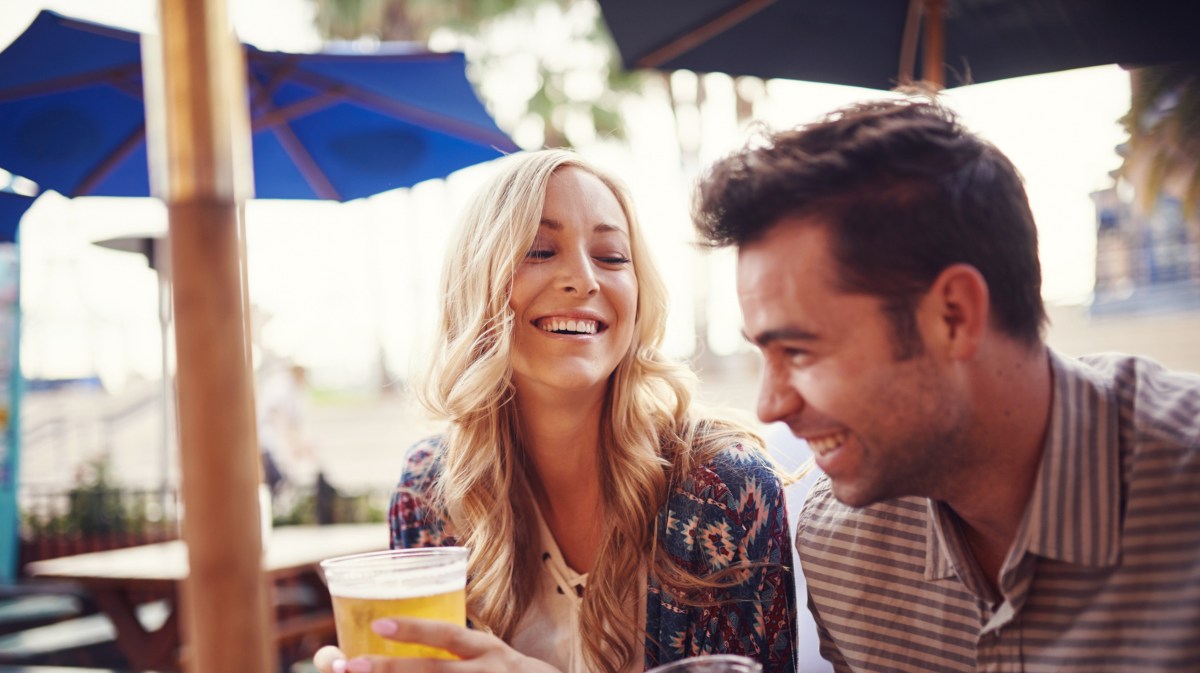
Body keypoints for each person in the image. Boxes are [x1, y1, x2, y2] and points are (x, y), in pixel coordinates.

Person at [692, 99, 1200, 672]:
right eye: (764, 352)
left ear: (954, 316)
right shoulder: (840, 545)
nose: (770, 404)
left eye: (801, 351)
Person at [315, 149, 796, 673]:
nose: (584, 279)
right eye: (541, 251)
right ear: (477, 284)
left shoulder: (722, 487)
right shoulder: (429, 491)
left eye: (612, 257)